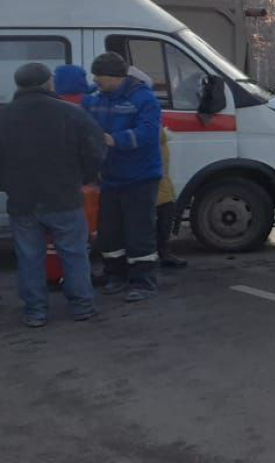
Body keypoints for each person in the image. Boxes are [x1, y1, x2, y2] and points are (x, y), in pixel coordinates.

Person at [0, 63, 105, 327]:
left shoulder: (4, 116)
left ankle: (35, 311)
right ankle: (81, 306)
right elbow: (95, 151)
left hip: (22, 200)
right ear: (49, 83)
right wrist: (80, 179)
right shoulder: (71, 114)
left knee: (29, 256)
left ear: (19, 86)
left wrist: (9, 184)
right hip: (63, 197)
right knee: (74, 252)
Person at [83, 52, 163, 302]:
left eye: (100, 75)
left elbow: (148, 133)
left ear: (116, 76)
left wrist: (113, 140)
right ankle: (114, 275)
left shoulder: (143, 99)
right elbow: (83, 124)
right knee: (109, 232)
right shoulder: (95, 99)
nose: (96, 79)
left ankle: (143, 281)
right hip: (109, 177)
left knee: (139, 231)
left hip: (140, 177)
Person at [126, 66, 187, 269]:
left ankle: (161, 252)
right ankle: (160, 254)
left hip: (158, 176)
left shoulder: (132, 104)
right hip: (152, 176)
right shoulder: (135, 106)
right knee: (160, 216)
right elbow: (151, 134)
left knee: (161, 215)